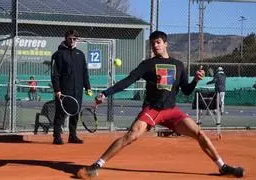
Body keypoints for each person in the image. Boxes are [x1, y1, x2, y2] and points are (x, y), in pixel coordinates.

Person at [77, 31, 244, 179]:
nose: (155, 46)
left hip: (172, 111)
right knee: (131, 136)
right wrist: (105, 93)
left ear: (165, 44)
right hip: (152, 109)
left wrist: (195, 80)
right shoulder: (147, 64)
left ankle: (222, 166)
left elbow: (186, 91)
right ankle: (96, 165)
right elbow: (128, 81)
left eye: (158, 42)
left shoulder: (179, 65)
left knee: (200, 134)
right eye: (152, 43)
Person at [51, 29, 92, 144]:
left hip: (77, 89)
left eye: (75, 39)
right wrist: (57, 89)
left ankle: (72, 136)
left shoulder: (80, 54)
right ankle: (57, 137)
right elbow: (55, 74)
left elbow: (84, 72)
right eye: (70, 38)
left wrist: (87, 86)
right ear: (66, 39)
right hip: (64, 90)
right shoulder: (59, 54)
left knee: (75, 112)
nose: (72, 41)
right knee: (60, 113)